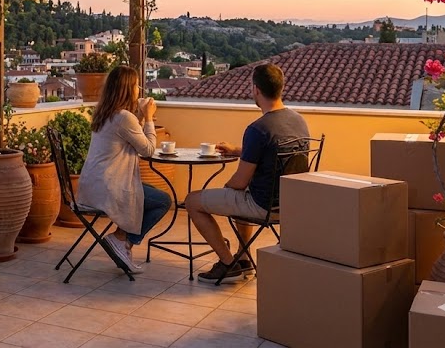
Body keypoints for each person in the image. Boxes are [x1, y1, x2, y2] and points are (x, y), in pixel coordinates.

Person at [185, 63, 309, 284]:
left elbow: (240, 182)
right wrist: (237, 150)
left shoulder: (258, 128)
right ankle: (243, 260)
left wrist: (226, 190)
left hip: (264, 206)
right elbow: (274, 150)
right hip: (293, 204)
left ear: (256, 90)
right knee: (241, 195)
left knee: (193, 201)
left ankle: (227, 264)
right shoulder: (298, 121)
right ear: (281, 88)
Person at [76, 66, 172, 273]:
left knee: (147, 195)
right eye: (136, 85)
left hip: (92, 185)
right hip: (109, 187)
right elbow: (148, 150)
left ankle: (122, 240)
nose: (139, 89)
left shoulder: (105, 113)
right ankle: (122, 239)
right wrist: (148, 118)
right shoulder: (123, 118)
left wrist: (139, 116)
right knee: (163, 201)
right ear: (127, 89)